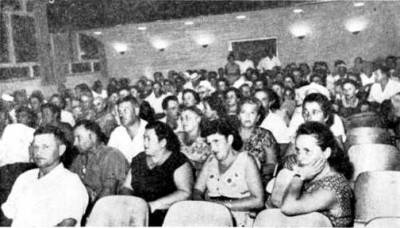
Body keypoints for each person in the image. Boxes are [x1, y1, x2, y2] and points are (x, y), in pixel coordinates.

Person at [2, 125, 88, 227]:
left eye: (45, 147)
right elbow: (8, 215)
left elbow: (67, 224)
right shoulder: (25, 178)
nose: (38, 152)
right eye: (36, 147)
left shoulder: (71, 182)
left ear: (61, 150)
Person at [277, 122, 354, 227]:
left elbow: (287, 207)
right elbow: (275, 201)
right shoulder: (311, 176)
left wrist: (299, 176)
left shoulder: (334, 188)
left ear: (326, 153)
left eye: (307, 151)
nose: (300, 158)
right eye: (298, 151)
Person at [119, 121, 193, 226]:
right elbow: (126, 187)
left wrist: (153, 205)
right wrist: (132, 203)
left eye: (148, 139)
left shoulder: (178, 161)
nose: (145, 143)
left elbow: (185, 193)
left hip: (168, 217)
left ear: (162, 143)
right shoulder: (139, 159)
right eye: (144, 138)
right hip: (137, 214)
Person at [193, 119, 264, 227]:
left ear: (229, 139)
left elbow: (258, 200)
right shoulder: (211, 160)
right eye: (209, 143)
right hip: (211, 215)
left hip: (238, 218)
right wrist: (203, 205)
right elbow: (197, 190)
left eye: (216, 141)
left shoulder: (246, 160)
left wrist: (221, 206)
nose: (212, 148)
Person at [238, 97, 279, 185]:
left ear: (258, 117)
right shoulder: (231, 134)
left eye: (252, 113)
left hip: (257, 180)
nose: (247, 116)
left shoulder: (265, 135)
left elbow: (273, 165)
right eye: (243, 112)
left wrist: (253, 170)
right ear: (238, 116)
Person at [108, 96, 147, 162]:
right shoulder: (117, 133)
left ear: (137, 111)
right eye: (120, 112)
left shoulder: (149, 129)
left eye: (125, 110)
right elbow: (109, 157)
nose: (121, 115)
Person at [177, 106, 211, 176]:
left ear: (198, 119)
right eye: (182, 119)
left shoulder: (207, 141)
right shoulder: (177, 136)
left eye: (187, 118)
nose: (184, 122)